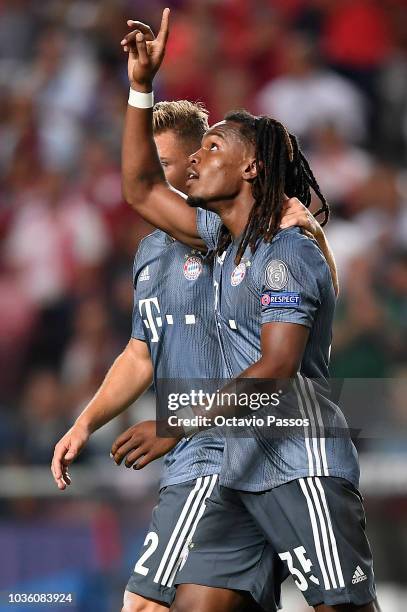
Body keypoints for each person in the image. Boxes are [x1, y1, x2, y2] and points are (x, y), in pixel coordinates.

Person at [115, 9, 379, 612]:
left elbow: (278, 368)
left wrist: (172, 421)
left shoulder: (288, 251)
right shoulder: (218, 239)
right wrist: (140, 87)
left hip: (298, 459)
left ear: (251, 167)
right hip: (234, 468)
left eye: (211, 147)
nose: (192, 162)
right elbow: (138, 189)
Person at [51, 96, 327, 612]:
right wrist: (86, 423)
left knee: (143, 605)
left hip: (223, 450)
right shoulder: (151, 252)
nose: (192, 167)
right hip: (189, 456)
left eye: (166, 162)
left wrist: (306, 228)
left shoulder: (223, 235)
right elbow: (140, 353)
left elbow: (283, 348)